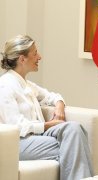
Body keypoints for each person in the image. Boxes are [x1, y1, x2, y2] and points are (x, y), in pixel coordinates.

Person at [0, 35, 93, 180]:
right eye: (35, 53)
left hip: (38, 137)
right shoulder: (5, 85)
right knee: (76, 146)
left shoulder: (27, 85)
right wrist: (47, 125)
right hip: (17, 143)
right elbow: (15, 126)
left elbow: (53, 96)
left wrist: (59, 106)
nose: (40, 57)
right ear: (22, 58)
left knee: (74, 128)